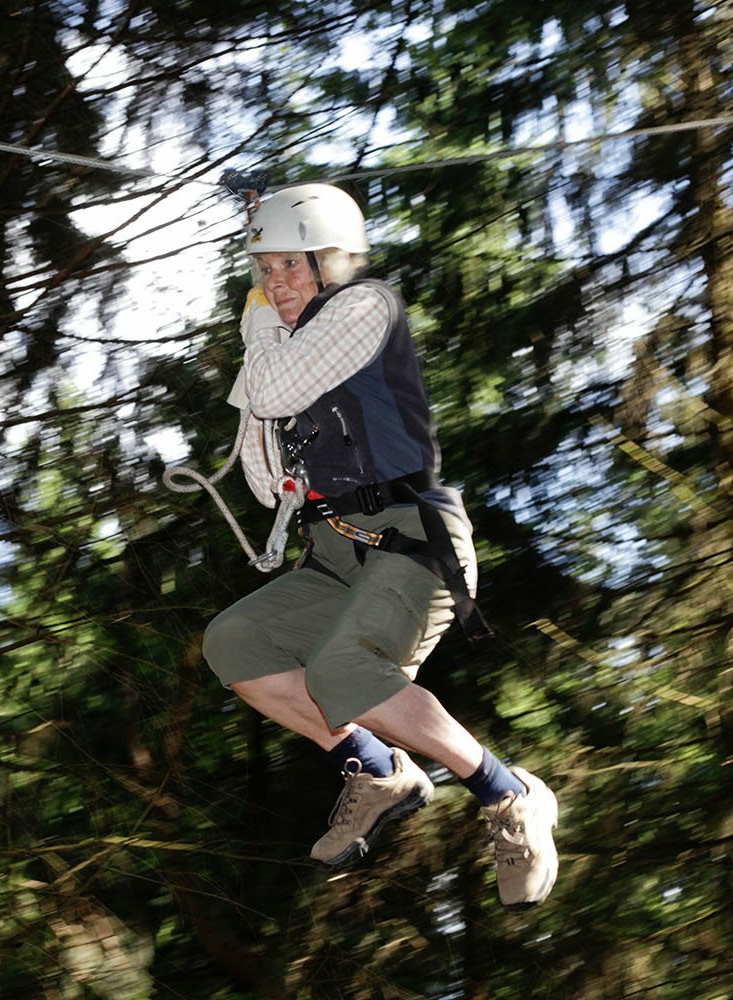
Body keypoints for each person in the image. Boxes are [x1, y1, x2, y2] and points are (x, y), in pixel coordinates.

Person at [201, 182, 559, 910]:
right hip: (334, 550)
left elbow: (271, 390)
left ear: (334, 261)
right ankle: (375, 765)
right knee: (235, 641)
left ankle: (508, 792)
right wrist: (266, 345)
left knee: (341, 668)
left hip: (412, 537)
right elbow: (269, 486)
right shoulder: (287, 350)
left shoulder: (367, 306)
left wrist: (260, 329)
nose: (275, 284)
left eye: (291, 266)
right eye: (264, 271)